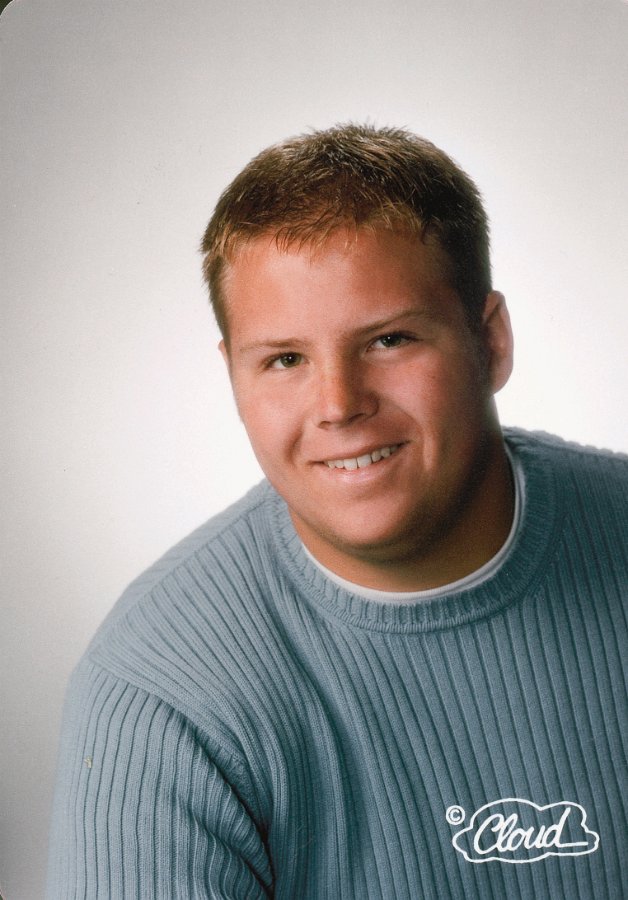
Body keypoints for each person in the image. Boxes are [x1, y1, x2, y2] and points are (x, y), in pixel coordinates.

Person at [46, 124, 627, 899]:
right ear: (233, 376)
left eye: (389, 340)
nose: (338, 405)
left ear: (489, 342)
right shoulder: (157, 695)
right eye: (285, 359)